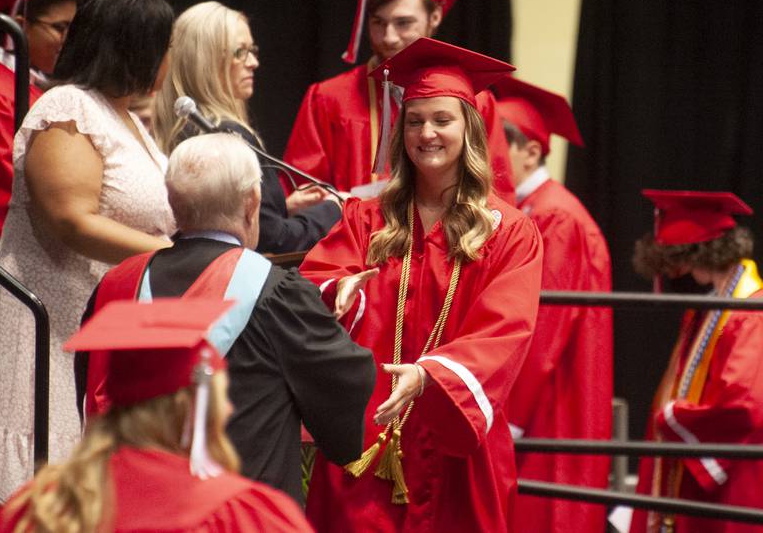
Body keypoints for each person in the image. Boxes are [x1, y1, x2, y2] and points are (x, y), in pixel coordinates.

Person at [299, 37, 543, 532]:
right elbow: (317, 280)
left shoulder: (509, 231)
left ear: (469, 130)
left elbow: (506, 328)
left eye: (442, 120)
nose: (426, 133)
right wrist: (339, 295)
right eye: (414, 121)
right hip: (366, 435)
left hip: (456, 441)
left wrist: (431, 377)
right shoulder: (367, 218)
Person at [0, 0, 176, 515]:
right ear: (137, 48)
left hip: (99, 319)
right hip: (48, 317)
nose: (170, 59)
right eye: (164, 45)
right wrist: (174, 253)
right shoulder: (67, 108)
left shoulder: (123, 114)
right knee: (44, 460)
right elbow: (71, 220)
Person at [77, 133, 376, 503]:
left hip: (128, 507)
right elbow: (342, 379)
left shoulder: (116, 285)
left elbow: (90, 392)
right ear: (253, 202)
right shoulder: (275, 290)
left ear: (174, 203)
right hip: (238, 513)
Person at [0, 299, 315, 532]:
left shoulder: (40, 508)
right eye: (222, 397)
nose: (229, 408)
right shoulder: (246, 516)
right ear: (194, 407)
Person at [282, 0, 515, 202]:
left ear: (435, 16)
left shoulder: (475, 102)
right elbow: (303, 196)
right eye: (378, 23)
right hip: (355, 237)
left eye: (403, 23)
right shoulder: (328, 99)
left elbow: (496, 196)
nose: (389, 37)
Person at [0, 0, 83, 420]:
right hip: (4, 274)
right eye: (59, 28)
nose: (68, 41)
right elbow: (7, 202)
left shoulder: (35, 90)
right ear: (17, 22)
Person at [493, 76, 613, 533]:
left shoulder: (555, 216)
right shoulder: (536, 210)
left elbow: (543, 328)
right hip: (539, 399)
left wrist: (509, 416)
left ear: (532, 152)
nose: (488, 159)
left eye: (498, 146)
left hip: (549, 404)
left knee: (542, 512)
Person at [154, 1, 341, 255]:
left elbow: (214, 224)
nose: (253, 62)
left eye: (252, 50)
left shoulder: (180, 130)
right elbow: (272, 240)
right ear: (206, 61)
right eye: (240, 52)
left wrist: (282, 208)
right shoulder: (225, 137)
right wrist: (333, 208)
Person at [629, 190, 763, 533]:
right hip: (693, 477)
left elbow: (745, 405)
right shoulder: (710, 306)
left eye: (681, 259)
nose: (679, 271)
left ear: (699, 252)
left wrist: (675, 417)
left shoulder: (751, 311)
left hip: (731, 482)